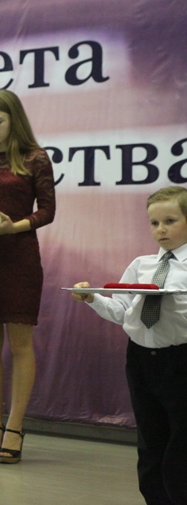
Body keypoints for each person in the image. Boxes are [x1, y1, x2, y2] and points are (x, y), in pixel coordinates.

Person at [71, 186, 187, 505]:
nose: (161, 229)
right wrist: (92, 297)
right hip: (141, 360)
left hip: (181, 360)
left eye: (170, 221)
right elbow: (122, 310)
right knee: (150, 443)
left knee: (180, 447)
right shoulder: (141, 265)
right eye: (154, 223)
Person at [0, 89, 55, 464]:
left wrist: (13, 226)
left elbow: (47, 211)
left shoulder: (36, 158)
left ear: (13, 120)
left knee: (20, 344)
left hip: (20, 254)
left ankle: (15, 426)